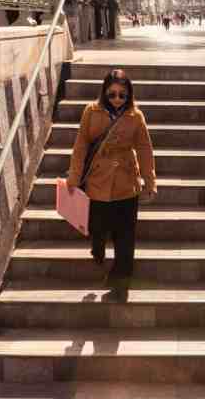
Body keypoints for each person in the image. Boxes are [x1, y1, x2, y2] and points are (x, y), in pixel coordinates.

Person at [66, 69, 156, 297]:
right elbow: (81, 146)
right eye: (112, 94)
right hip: (97, 180)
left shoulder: (136, 116)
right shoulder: (91, 112)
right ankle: (98, 246)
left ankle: (120, 280)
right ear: (104, 93)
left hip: (126, 183)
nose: (117, 99)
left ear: (129, 96)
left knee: (125, 235)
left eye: (122, 95)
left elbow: (145, 149)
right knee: (98, 226)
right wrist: (74, 177)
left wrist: (149, 181)